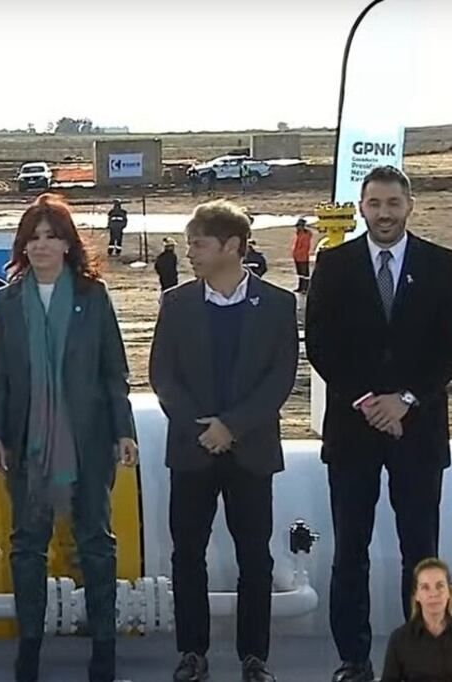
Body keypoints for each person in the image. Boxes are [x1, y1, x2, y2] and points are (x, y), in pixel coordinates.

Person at [305, 165, 452, 682]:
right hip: (354, 431)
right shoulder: (335, 264)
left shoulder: (442, 265)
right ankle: (354, 660)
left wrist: (406, 399)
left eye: (393, 204)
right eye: (375, 204)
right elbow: (320, 342)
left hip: (420, 430)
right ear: (361, 207)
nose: (384, 213)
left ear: (409, 206)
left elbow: (446, 348)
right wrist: (370, 400)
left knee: (421, 553)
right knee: (351, 550)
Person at [0, 193, 138, 682]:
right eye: (34, 237)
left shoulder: (93, 298)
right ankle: (29, 645)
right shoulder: (6, 303)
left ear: (69, 244)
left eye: (52, 236)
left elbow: (114, 371)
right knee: (28, 544)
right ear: (22, 246)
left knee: (95, 540)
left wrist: (123, 430)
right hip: (26, 441)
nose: (43, 245)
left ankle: (105, 648)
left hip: (88, 439)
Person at [149, 199, 298, 682]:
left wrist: (231, 426)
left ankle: (254, 658)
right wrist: (203, 427)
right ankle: (192, 653)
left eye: (199, 243)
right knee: (186, 554)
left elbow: (280, 378)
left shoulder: (277, 304)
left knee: (255, 556)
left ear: (231, 246)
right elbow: (163, 375)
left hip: (250, 452)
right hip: (192, 453)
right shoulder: (177, 304)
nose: (190, 252)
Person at [381, 557, 452, 681]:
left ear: (449, 593)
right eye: (425, 587)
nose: (433, 594)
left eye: (440, 586)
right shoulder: (399, 639)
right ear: (417, 595)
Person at [292, 218, 313, 294]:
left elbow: (305, 247)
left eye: (298, 226)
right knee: (300, 274)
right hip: (297, 257)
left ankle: (305, 288)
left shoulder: (305, 236)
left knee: (304, 274)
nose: (297, 227)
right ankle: (300, 287)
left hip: (303, 257)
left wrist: (299, 254)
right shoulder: (298, 234)